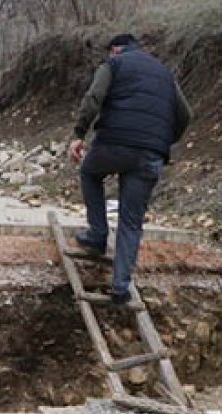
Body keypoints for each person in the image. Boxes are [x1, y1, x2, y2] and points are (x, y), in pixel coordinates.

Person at [68, 33, 192, 305]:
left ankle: (97, 235)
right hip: (151, 153)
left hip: (115, 143)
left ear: (115, 50)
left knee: (89, 172)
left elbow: (94, 97)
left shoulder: (113, 64)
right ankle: (120, 286)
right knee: (131, 220)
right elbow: (186, 114)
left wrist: (78, 134)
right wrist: (162, 139)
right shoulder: (164, 73)